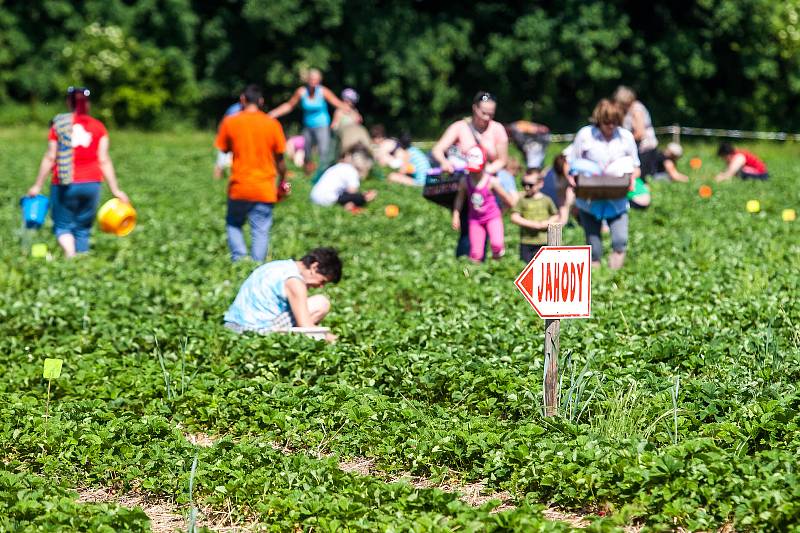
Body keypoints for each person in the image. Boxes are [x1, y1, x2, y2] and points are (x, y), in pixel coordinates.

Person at [26, 86, 129, 258]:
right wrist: (116, 190)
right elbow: (103, 160)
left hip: (65, 183)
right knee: (82, 227)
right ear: (87, 104)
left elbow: (51, 157)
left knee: (62, 225)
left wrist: (37, 185)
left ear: (68, 102)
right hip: (92, 184)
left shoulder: (59, 126)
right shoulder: (98, 127)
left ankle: (69, 253)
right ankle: (81, 261)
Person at [432, 91, 511, 257]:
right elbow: (437, 150)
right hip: (467, 187)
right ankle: (466, 268)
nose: (487, 118)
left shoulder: (497, 130)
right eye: (484, 113)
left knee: (490, 232)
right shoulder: (460, 127)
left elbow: (502, 160)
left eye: (491, 114)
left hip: (487, 187)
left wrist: (483, 172)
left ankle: (488, 269)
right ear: (474, 108)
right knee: (467, 232)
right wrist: (445, 163)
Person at [215, 84, 287, 262]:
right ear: (261, 101)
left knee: (233, 223)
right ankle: (256, 267)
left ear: (242, 100)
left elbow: (223, 150)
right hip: (264, 187)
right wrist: (283, 180)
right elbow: (280, 159)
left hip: (239, 186)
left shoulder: (230, 122)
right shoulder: (272, 123)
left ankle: (239, 259)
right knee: (260, 230)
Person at [569, 99, 640, 270]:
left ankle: (613, 279)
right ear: (599, 119)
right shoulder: (585, 135)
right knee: (594, 245)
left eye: (615, 122)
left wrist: (631, 179)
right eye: (607, 122)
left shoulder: (625, 137)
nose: (610, 126)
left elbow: (636, 167)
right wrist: (574, 180)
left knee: (620, 240)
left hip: (617, 198)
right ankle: (597, 283)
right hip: (590, 198)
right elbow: (572, 164)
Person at [224, 247, 342, 342]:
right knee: (321, 303)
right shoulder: (294, 281)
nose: (320, 286)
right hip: (256, 331)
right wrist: (329, 338)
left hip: (232, 326)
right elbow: (306, 327)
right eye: (322, 281)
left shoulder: (279, 265)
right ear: (314, 267)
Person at [268, 68, 349, 174]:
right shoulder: (301, 92)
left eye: (316, 80)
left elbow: (338, 103)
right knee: (307, 152)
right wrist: (273, 114)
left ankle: (324, 174)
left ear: (319, 81)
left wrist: (353, 113)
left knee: (324, 151)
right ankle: (308, 175)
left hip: (322, 125)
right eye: (311, 80)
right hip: (308, 126)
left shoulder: (323, 91)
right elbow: (289, 105)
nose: (313, 83)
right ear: (307, 80)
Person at [452, 146, 514, 262]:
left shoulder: (492, 182)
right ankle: (475, 275)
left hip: (492, 217)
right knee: (476, 253)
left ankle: (497, 268)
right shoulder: (465, 181)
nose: (473, 173)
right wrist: (456, 215)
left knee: (497, 244)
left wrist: (502, 212)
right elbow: (459, 199)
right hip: (475, 220)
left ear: (484, 166)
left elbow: (507, 200)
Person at [511, 171, 559, 263]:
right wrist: (531, 224)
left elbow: (556, 215)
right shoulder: (522, 200)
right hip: (527, 241)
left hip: (545, 240)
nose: (527, 187)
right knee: (526, 268)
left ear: (540, 184)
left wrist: (546, 223)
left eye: (530, 185)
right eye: (524, 184)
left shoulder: (546, 200)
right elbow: (514, 216)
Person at [310, 146, 377, 210]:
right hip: (326, 199)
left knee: (348, 197)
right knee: (359, 198)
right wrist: (364, 197)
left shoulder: (340, 166)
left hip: (314, 196)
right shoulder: (352, 171)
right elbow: (352, 193)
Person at [541, 153, 576, 224]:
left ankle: (555, 224)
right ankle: (555, 226)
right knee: (563, 212)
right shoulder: (558, 176)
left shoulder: (572, 165)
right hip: (559, 193)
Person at [213, 98, 244, 179]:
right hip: (229, 139)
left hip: (239, 140)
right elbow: (224, 123)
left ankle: (232, 179)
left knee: (234, 163)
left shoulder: (245, 110)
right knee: (221, 162)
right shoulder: (235, 109)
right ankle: (216, 179)